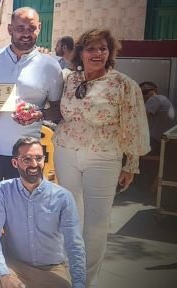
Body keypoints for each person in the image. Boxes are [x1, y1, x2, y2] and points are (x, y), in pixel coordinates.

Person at [53, 29, 150, 287]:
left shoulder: (122, 84)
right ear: (80, 53)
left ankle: (86, 280)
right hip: (66, 151)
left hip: (104, 156)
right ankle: (68, 273)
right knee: (71, 216)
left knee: (96, 222)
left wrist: (132, 164)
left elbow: (134, 125)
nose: (97, 54)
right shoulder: (70, 80)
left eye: (103, 49)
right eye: (91, 49)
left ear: (110, 53)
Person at [0, 7, 63, 185]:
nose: (26, 33)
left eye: (31, 28)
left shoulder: (50, 67)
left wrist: (39, 115)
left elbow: (57, 109)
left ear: (39, 28)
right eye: (20, 28)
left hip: (27, 155)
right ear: (10, 29)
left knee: (23, 207)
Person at [0, 137, 86, 288]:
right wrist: (4, 273)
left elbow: (74, 244)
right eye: (26, 159)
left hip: (53, 268)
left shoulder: (62, 197)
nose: (34, 164)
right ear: (15, 163)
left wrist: (79, 284)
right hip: (17, 268)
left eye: (38, 158)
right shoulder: (4, 191)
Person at [140, 81, 176, 155]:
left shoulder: (155, 98)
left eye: (146, 91)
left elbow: (141, 119)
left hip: (156, 142)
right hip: (164, 142)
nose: (144, 95)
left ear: (155, 90)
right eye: (141, 93)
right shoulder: (163, 99)